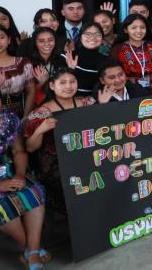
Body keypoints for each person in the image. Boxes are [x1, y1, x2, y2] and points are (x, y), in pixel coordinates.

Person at [0, 83, 48, 269]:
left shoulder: (8, 119)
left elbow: (18, 151)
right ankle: (31, 249)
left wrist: (19, 174)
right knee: (3, 205)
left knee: (35, 191)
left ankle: (30, 252)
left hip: (5, 170)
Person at [24, 69, 90, 214]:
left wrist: (103, 105)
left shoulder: (86, 103)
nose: (68, 86)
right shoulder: (42, 112)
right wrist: (41, 129)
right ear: (52, 86)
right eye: (63, 83)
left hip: (84, 156)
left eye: (72, 82)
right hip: (56, 163)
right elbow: (30, 148)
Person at [0, 25, 35, 117]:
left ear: (9, 40)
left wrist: (26, 118)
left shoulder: (23, 63)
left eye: (1, 37)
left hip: (18, 115)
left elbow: (31, 91)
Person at [112, 14, 152, 91]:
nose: (139, 31)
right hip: (130, 92)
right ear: (125, 29)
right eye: (134, 28)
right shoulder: (118, 49)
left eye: (142, 27)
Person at [62, 23, 108, 96]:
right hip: (70, 102)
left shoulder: (107, 61)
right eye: (87, 34)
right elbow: (59, 84)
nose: (93, 37)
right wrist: (70, 70)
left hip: (94, 104)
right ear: (80, 37)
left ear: (102, 39)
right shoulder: (68, 56)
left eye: (97, 34)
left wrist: (92, 99)